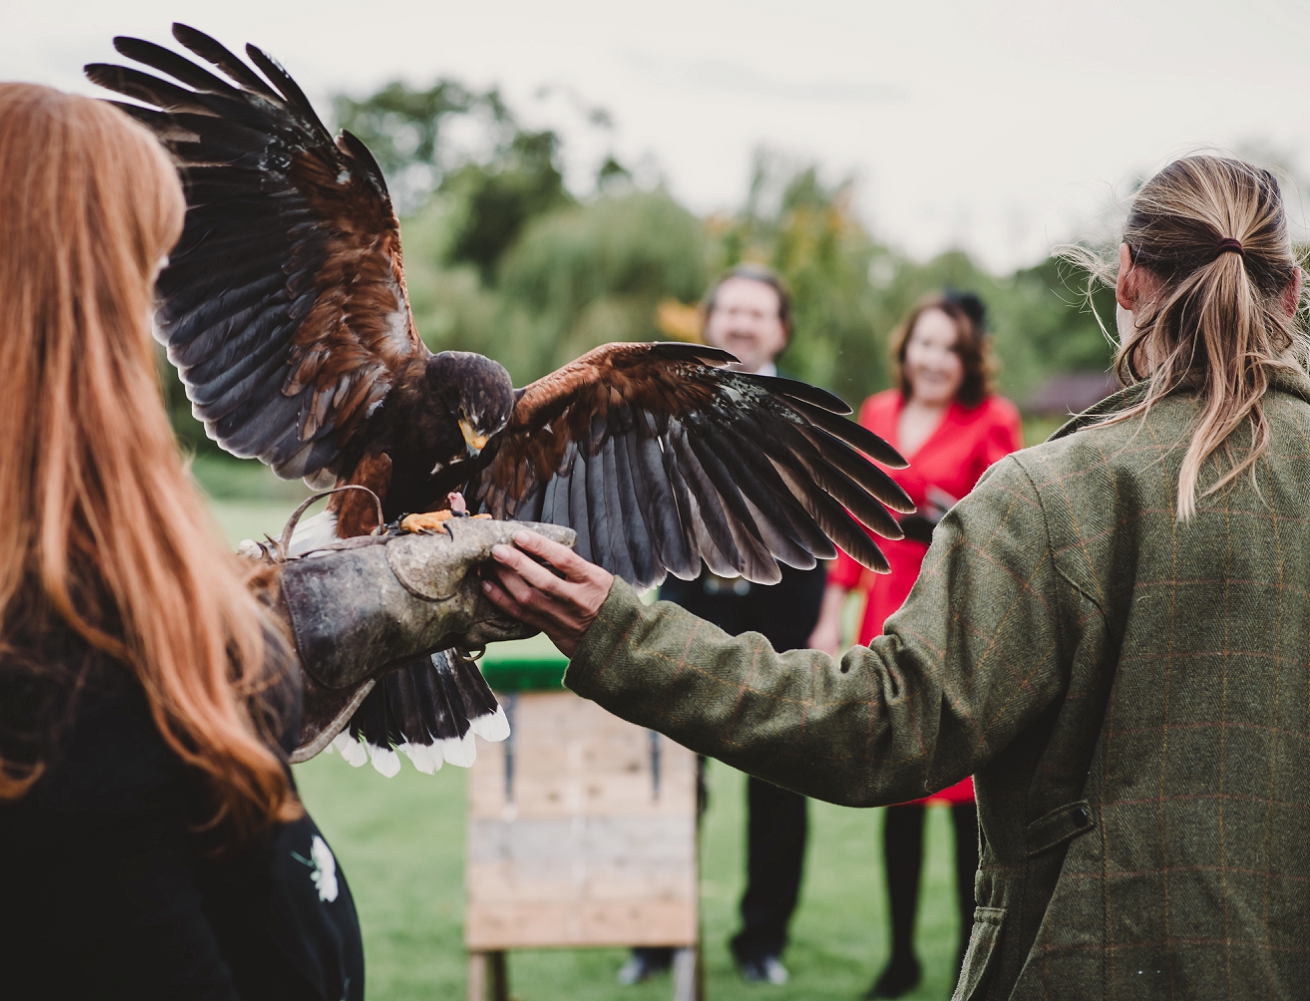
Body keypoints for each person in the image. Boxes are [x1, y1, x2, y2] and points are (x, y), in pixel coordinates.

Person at [482, 155, 1309, 1000]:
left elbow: (883, 725)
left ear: (1127, 279)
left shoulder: (1054, 494)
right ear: (1290, 290)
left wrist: (616, 628)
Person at [0, 83, 519, 1000]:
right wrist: (239, 670)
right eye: (140, 272)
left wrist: (262, 625)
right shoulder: (87, 686)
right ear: (72, 310)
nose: (164, 308)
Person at [807, 292, 1021, 998]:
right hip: (884, 609)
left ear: (967, 360)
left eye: (949, 348)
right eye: (924, 344)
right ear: (906, 349)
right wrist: (829, 610)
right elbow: (851, 517)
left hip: (956, 615)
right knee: (895, 781)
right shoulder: (875, 412)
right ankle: (900, 956)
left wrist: (950, 521)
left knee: (965, 790)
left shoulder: (993, 420)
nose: (933, 359)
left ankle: (969, 952)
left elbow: (1010, 515)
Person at [620, 265, 825, 987]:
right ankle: (651, 936)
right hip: (690, 605)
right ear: (708, 322)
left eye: (756, 313)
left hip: (778, 615)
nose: (741, 323)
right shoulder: (665, 406)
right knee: (669, 775)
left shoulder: (808, 411)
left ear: (780, 329)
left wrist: (823, 624)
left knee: (778, 785)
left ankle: (761, 939)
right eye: (730, 311)